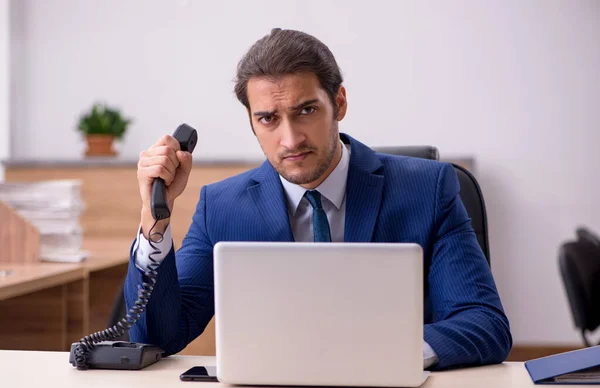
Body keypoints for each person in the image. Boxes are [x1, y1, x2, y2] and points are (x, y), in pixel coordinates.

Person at [125, 28, 512, 370]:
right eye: (268, 119)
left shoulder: (428, 189)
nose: (290, 140)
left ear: (339, 103)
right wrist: (153, 220)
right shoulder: (222, 207)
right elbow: (159, 336)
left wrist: (382, 356)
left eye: (306, 110)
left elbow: (483, 324)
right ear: (251, 122)